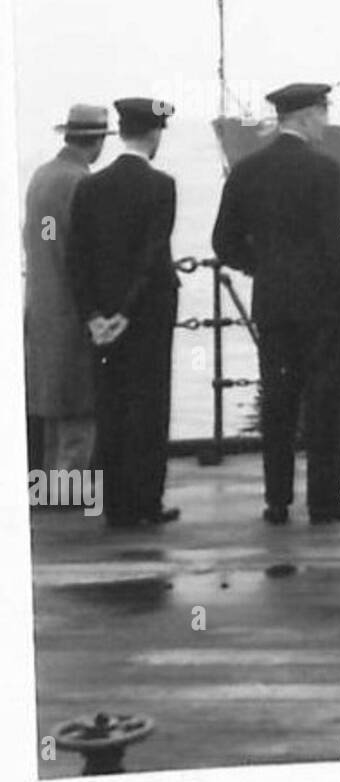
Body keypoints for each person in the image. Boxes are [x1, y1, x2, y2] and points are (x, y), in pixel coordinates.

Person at [212, 83, 340, 525]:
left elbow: (223, 242)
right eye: (322, 113)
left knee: (277, 405)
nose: (326, 122)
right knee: (327, 408)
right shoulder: (325, 170)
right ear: (303, 116)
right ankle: (327, 501)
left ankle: (276, 501)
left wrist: (262, 268)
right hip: (321, 307)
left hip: (273, 306)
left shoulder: (246, 170)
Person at [67, 98, 180, 526]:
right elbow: (152, 255)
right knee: (149, 407)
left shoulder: (89, 187)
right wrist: (128, 313)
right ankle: (146, 503)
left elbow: (76, 258)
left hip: (101, 322)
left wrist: (94, 315)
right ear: (153, 135)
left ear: (122, 131)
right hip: (147, 315)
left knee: (111, 406)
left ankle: (114, 505)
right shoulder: (161, 186)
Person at [24, 105, 110, 480]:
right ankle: (69, 488)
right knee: (78, 404)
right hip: (72, 307)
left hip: (41, 302)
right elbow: (82, 249)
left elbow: (44, 235)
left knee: (49, 404)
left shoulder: (42, 177)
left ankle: (48, 484)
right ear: (98, 143)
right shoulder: (79, 182)